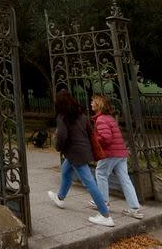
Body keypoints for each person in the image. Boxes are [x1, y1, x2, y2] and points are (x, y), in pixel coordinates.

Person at [47, 89, 115, 227]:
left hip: (75, 153)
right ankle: (60, 198)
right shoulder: (80, 115)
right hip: (83, 150)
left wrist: (58, 145)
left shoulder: (62, 116)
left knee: (89, 183)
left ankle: (105, 215)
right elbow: (90, 131)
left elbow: (62, 136)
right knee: (66, 172)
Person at [90, 94, 144, 219]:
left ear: (99, 104)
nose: (91, 104)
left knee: (101, 173)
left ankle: (103, 203)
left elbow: (106, 138)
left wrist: (94, 139)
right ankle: (134, 208)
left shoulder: (101, 119)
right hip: (121, 152)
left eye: (93, 102)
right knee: (125, 179)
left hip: (111, 153)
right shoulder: (109, 118)